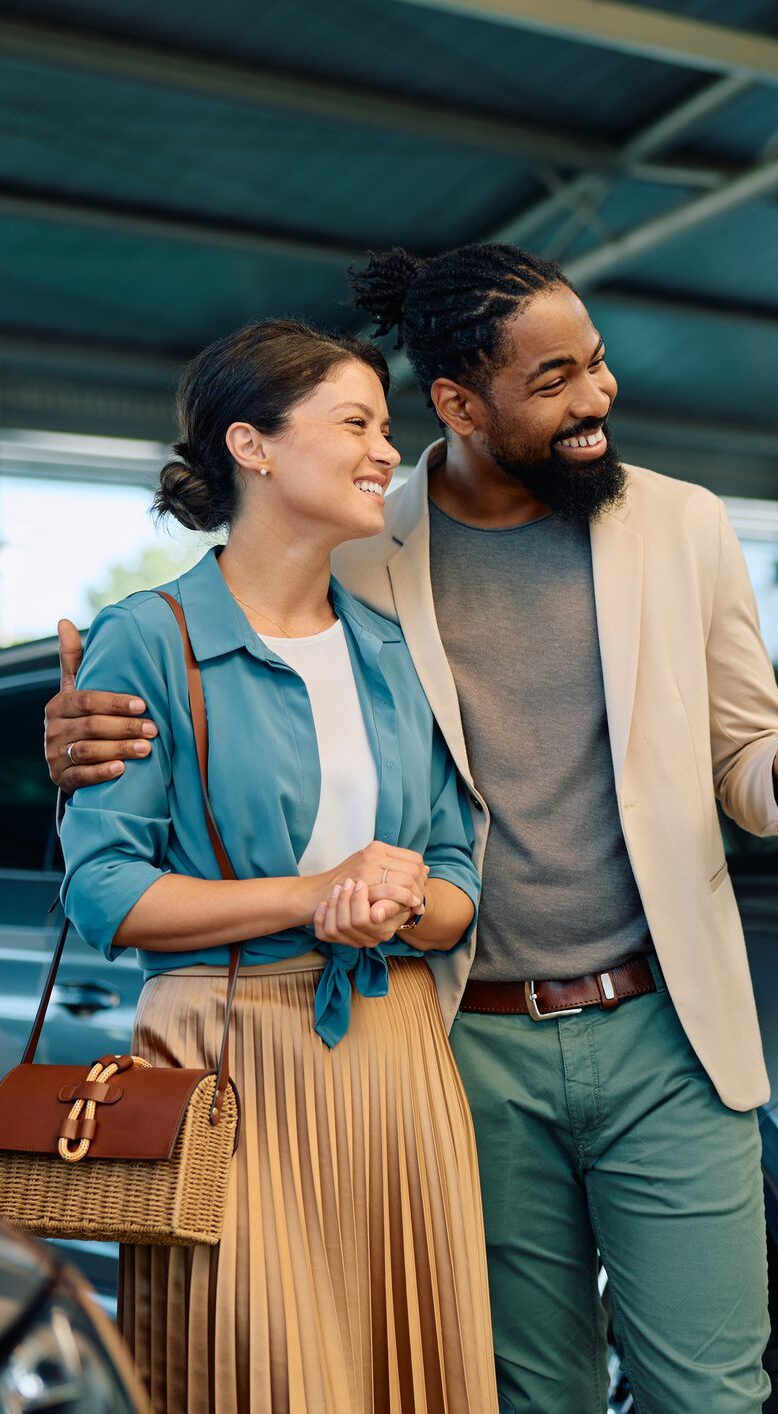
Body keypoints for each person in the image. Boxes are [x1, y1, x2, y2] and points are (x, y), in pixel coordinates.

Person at [47, 244, 778, 1413]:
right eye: (552, 379)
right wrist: (85, 724)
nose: (595, 397)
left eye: (596, 365)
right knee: (515, 1388)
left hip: (664, 1025)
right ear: (458, 401)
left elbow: (742, 758)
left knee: (710, 1389)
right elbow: (241, 668)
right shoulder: (366, 547)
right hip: (461, 1039)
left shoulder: (683, 525)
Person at [58, 319, 499, 1414]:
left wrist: (399, 902)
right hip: (227, 1063)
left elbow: (455, 877)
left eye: (385, 428)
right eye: (355, 422)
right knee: (248, 1374)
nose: (385, 450)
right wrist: (319, 895)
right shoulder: (150, 638)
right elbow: (106, 890)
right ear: (251, 446)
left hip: (399, 1063)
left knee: (412, 1375)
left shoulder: (391, 649)